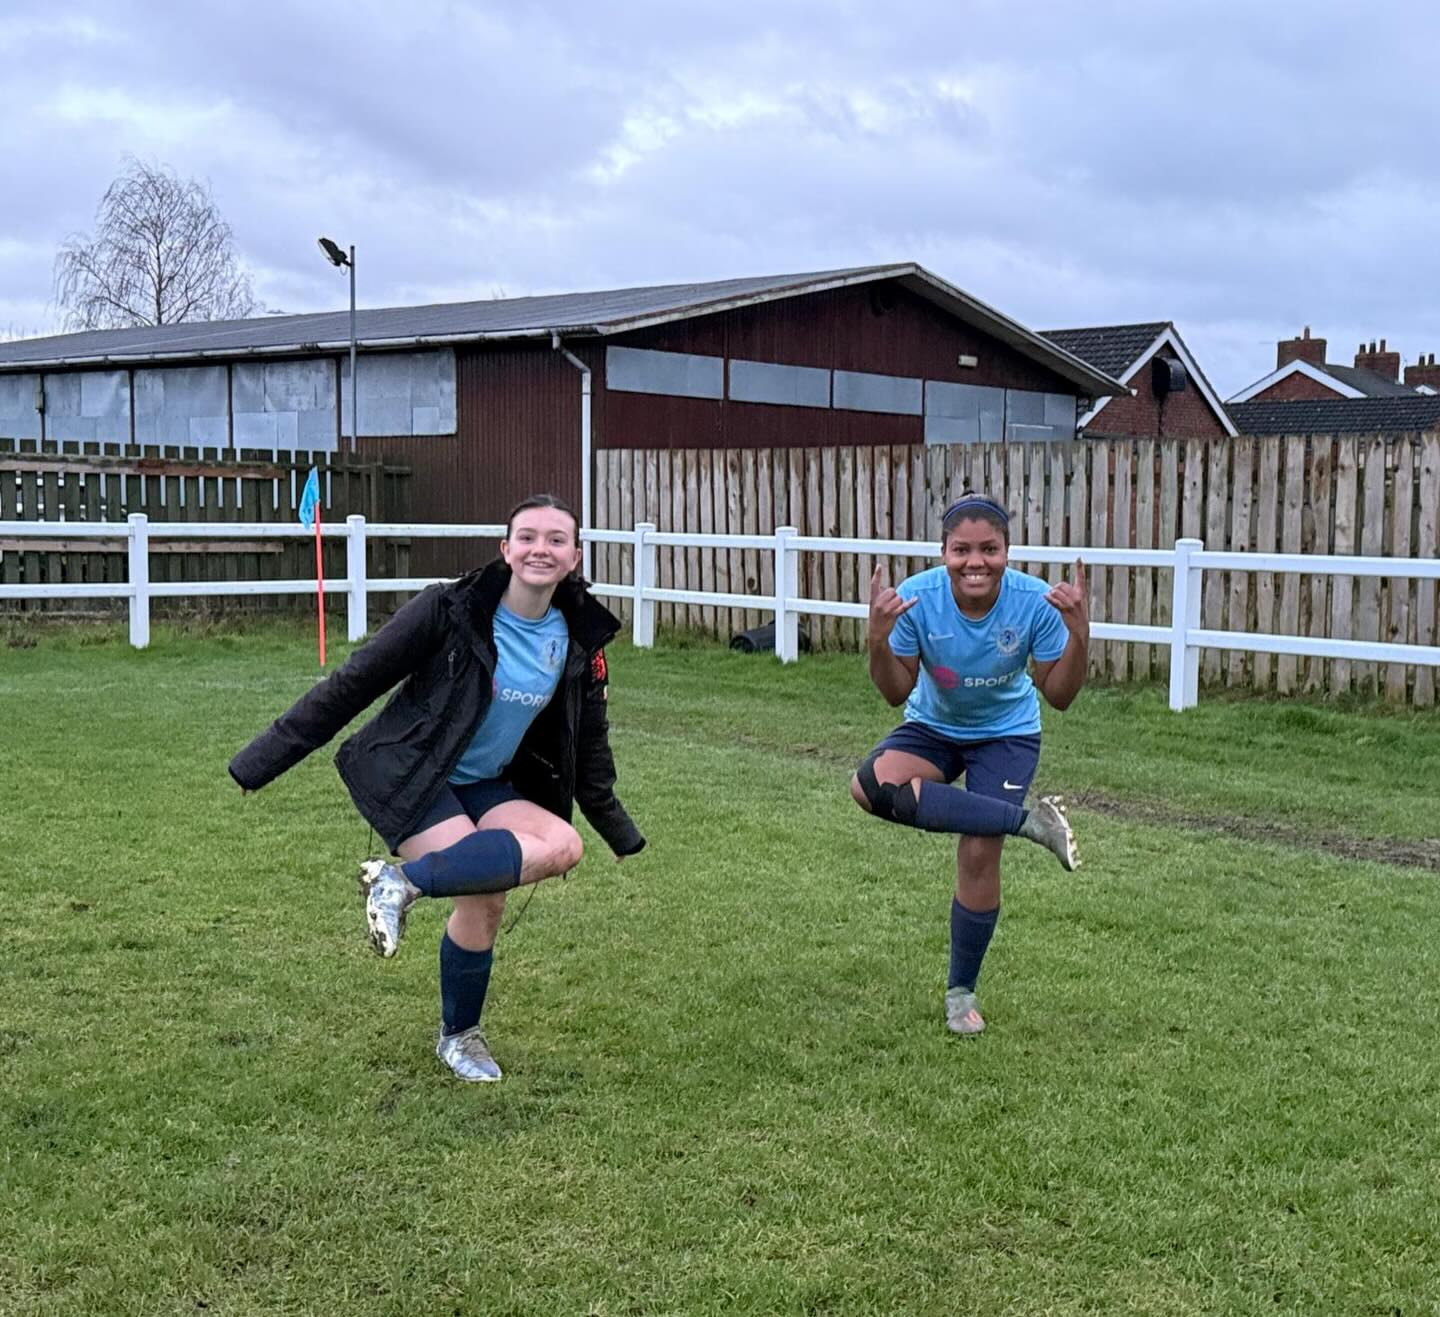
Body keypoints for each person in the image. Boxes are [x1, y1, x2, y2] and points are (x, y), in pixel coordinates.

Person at [229, 494, 644, 1083]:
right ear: (505, 549)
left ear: (575, 557)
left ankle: (399, 884)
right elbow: (354, 683)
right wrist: (259, 762)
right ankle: (459, 1037)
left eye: (556, 540)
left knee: (563, 846)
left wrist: (618, 831)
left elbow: (590, 742)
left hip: (487, 783)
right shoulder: (450, 608)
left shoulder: (577, 639)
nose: (540, 550)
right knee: (483, 893)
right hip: (414, 773)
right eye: (527, 537)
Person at [850, 491, 1089, 1037]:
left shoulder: (1035, 602)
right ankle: (1031, 822)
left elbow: (1060, 695)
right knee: (870, 787)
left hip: (1006, 734)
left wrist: (1079, 635)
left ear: (1007, 551)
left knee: (979, 850)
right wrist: (877, 640)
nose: (975, 561)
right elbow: (894, 692)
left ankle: (961, 995)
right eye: (962, 549)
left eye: (990, 549)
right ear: (944, 552)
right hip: (934, 727)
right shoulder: (916, 599)